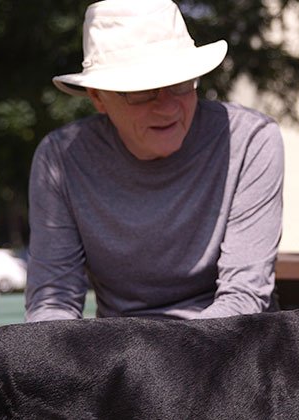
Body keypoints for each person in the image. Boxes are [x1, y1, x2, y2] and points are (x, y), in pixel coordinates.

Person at [25, 0, 284, 321]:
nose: (167, 107)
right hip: (121, 354)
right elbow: (53, 300)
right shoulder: (61, 159)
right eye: (142, 91)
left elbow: (244, 295)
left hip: (228, 351)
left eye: (180, 83)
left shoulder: (250, 140)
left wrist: (155, 367)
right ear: (97, 97)